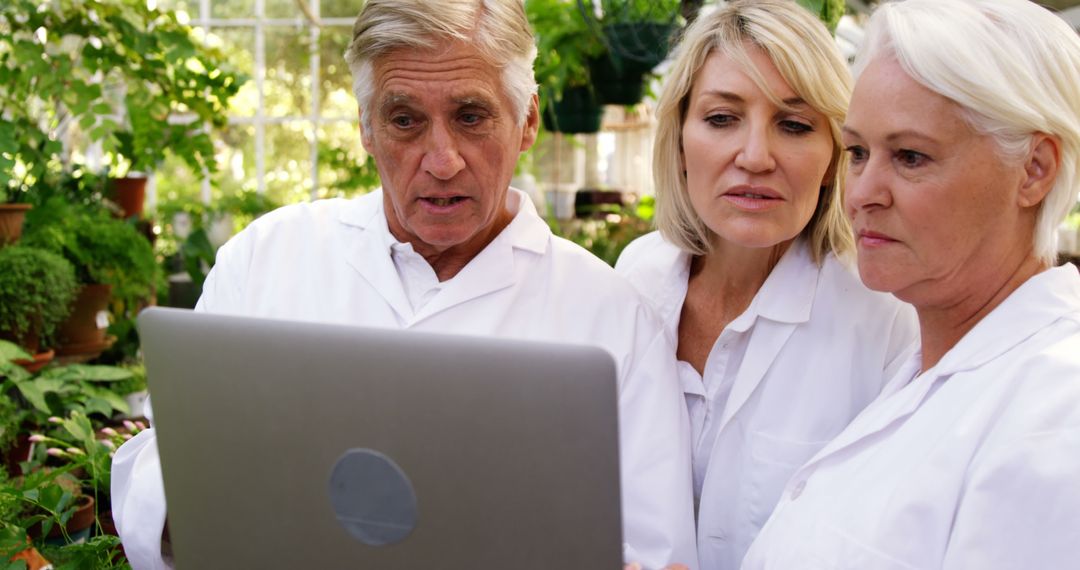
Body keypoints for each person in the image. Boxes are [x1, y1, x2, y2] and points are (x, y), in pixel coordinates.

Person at [110, 1, 697, 568]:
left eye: (471, 116)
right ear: (366, 128)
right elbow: (165, 464)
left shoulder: (612, 317)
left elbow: (658, 544)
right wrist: (197, 513)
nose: (441, 160)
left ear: (528, 122)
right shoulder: (267, 259)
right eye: (405, 120)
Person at [741, 0, 1080, 567]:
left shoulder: (1056, 414)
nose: (861, 193)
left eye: (911, 157)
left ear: (1034, 169)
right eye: (857, 153)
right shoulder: (933, 361)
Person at [614, 1, 918, 568]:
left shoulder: (886, 317)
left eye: (795, 125)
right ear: (680, 138)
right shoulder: (634, 278)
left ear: (835, 156)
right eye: (722, 118)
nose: (755, 157)